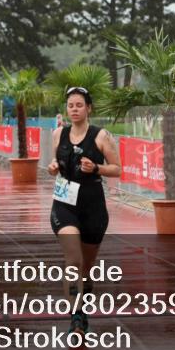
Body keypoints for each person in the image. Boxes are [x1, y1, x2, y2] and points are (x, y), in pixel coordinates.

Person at [47, 86, 121, 335]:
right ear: (66, 109)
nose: (74, 109)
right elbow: (56, 161)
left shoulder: (101, 136)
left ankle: (82, 309)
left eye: (79, 105)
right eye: (71, 105)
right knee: (73, 261)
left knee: (87, 268)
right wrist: (54, 166)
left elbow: (117, 168)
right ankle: (76, 317)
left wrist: (97, 168)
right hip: (64, 204)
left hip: (93, 206)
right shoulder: (59, 133)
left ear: (89, 108)